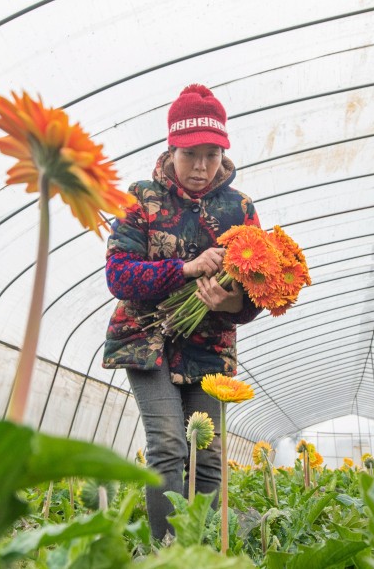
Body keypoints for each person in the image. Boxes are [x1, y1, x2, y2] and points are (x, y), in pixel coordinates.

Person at [103, 84, 262, 542]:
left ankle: (198, 545)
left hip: (208, 347)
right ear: (172, 147)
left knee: (208, 454)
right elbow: (119, 276)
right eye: (191, 154)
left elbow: (254, 294)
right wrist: (187, 269)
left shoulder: (240, 209)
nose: (201, 167)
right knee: (169, 444)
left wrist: (229, 302)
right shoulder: (140, 199)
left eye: (211, 155)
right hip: (145, 340)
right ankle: (165, 550)